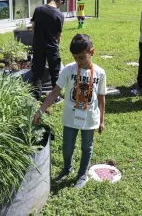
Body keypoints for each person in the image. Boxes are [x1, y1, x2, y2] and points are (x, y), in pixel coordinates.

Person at [34, 34, 106, 189]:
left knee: (87, 147)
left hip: (89, 118)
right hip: (70, 117)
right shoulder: (68, 69)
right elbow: (54, 93)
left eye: (81, 58)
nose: (77, 61)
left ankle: (81, 175)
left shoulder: (100, 73)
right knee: (67, 146)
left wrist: (101, 120)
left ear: (91, 52)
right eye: (75, 58)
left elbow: (101, 98)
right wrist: (41, 110)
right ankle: (67, 168)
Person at [31, 0, 66, 101]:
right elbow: (58, 35)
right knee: (54, 72)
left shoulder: (38, 10)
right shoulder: (59, 15)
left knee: (37, 72)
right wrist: (57, 46)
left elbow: (33, 28)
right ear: (60, 1)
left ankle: (36, 96)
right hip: (52, 47)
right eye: (62, 3)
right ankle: (55, 97)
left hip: (38, 46)